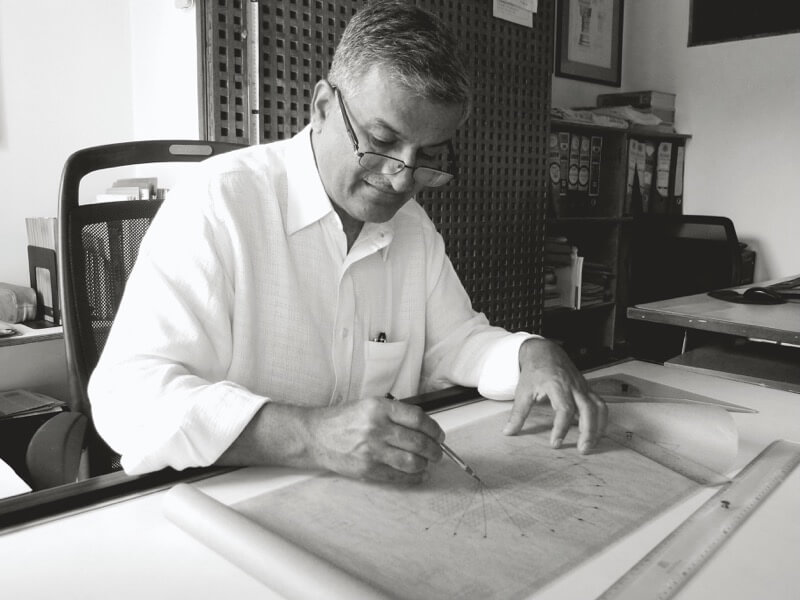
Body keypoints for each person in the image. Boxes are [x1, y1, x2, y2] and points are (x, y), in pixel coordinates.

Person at [89, 0, 606, 484]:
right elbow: (126, 397)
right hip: (222, 501)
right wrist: (311, 436)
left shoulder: (413, 230)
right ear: (321, 106)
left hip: (359, 505)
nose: (402, 178)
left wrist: (529, 353)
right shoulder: (219, 202)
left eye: (428, 156)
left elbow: (455, 344)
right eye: (380, 142)